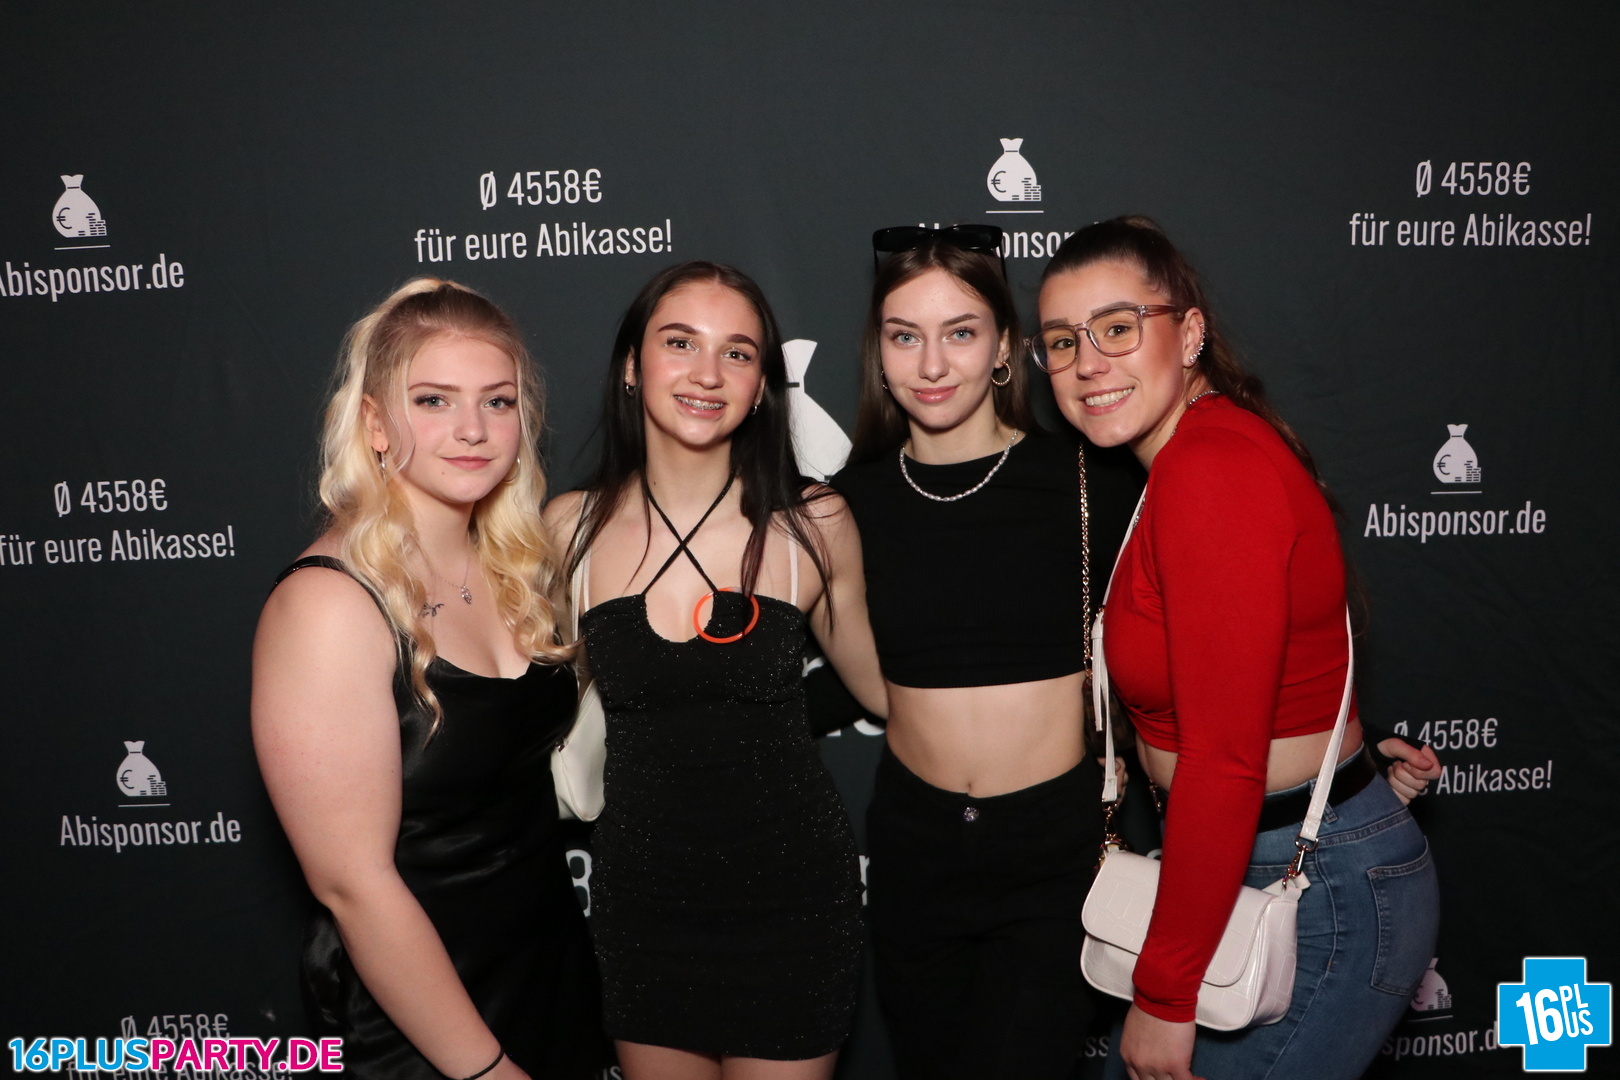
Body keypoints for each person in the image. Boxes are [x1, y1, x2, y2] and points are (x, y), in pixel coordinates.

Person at [1034, 216, 1441, 1080]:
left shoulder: (1209, 467)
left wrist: (1166, 994)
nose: (1088, 362)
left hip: (1305, 882)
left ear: (1188, 334)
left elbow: (1224, 757)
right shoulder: (1193, 454)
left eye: (1117, 328)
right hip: (1260, 861)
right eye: (1063, 341)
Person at [544, 260, 886, 1080]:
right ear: (632, 366)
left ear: (763, 385)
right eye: (680, 343)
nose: (707, 373)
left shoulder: (813, 524)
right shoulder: (568, 529)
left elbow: (886, 691)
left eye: (737, 352)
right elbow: (529, 706)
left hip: (792, 902)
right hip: (643, 908)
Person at [252, 279, 603, 1080]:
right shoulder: (329, 606)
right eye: (434, 400)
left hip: (548, 978)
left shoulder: (516, 567)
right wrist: (484, 1070)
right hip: (419, 1019)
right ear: (375, 423)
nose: (472, 429)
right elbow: (354, 886)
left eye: (498, 401)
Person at [830, 226, 1119, 1080]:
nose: (931, 364)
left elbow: (1209, 640)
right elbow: (863, 689)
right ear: (879, 352)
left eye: (960, 332)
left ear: (1003, 348)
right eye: (904, 335)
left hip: (1051, 848)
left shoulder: (1086, 481)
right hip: (915, 844)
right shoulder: (846, 504)